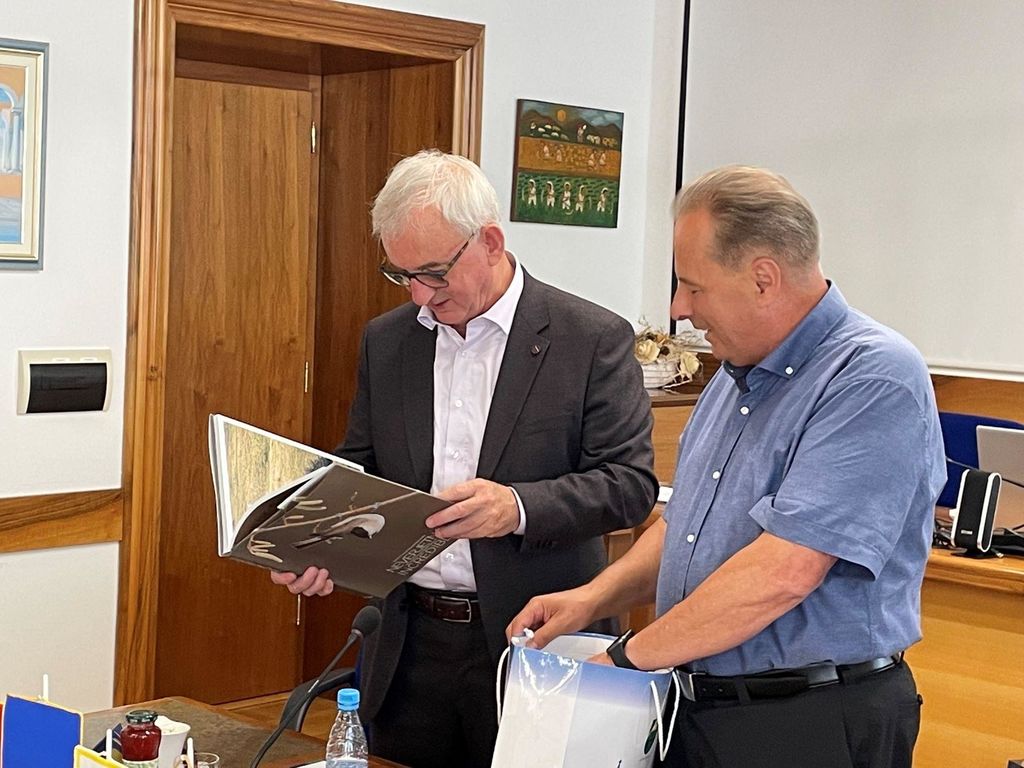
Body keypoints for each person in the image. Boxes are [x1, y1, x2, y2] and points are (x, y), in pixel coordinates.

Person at [509, 165, 946, 768]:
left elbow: (783, 572)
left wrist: (624, 661)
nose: (679, 308)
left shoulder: (872, 376)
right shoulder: (733, 375)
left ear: (763, 278)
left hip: (808, 718)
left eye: (694, 287)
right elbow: (684, 527)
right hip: (697, 705)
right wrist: (591, 598)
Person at [272, 149, 658, 768]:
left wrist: (517, 507)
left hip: (535, 639)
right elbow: (359, 469)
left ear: (491, 242)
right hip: (408, 643)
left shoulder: (590, 338)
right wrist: (320, 549)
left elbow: (629, 484)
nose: (420, 296)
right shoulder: (388, 340)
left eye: (433, 273)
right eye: (402, 275)